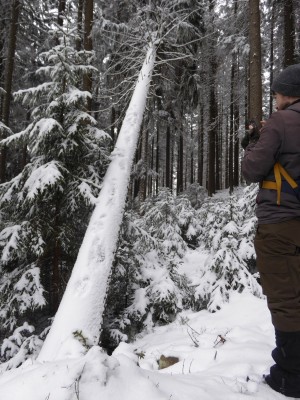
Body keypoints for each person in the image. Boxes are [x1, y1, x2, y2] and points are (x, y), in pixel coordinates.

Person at [241, 63, 300, 398]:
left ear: (287, 93)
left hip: (281, 224)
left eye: (277, 92)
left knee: (286, 298)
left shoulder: (280, 121)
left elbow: (252, 168)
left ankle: (290, 375)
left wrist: (256, 138)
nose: (275, 98)